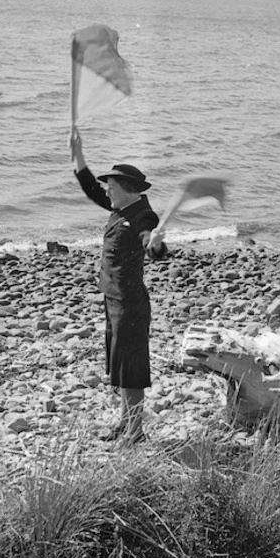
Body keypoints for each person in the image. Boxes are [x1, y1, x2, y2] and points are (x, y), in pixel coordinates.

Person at [69, 126, 167, 444]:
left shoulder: (143, 215)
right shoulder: (119, 208)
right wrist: (77, 153)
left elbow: (153, 246)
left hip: (130, 303)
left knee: (131, 369)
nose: (107, 191)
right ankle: (126, 424)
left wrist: (155, 244)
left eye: (110, 186)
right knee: (119, 367)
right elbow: (89, 188)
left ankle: (136, 431)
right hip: (112, 299)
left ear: (125, 187)